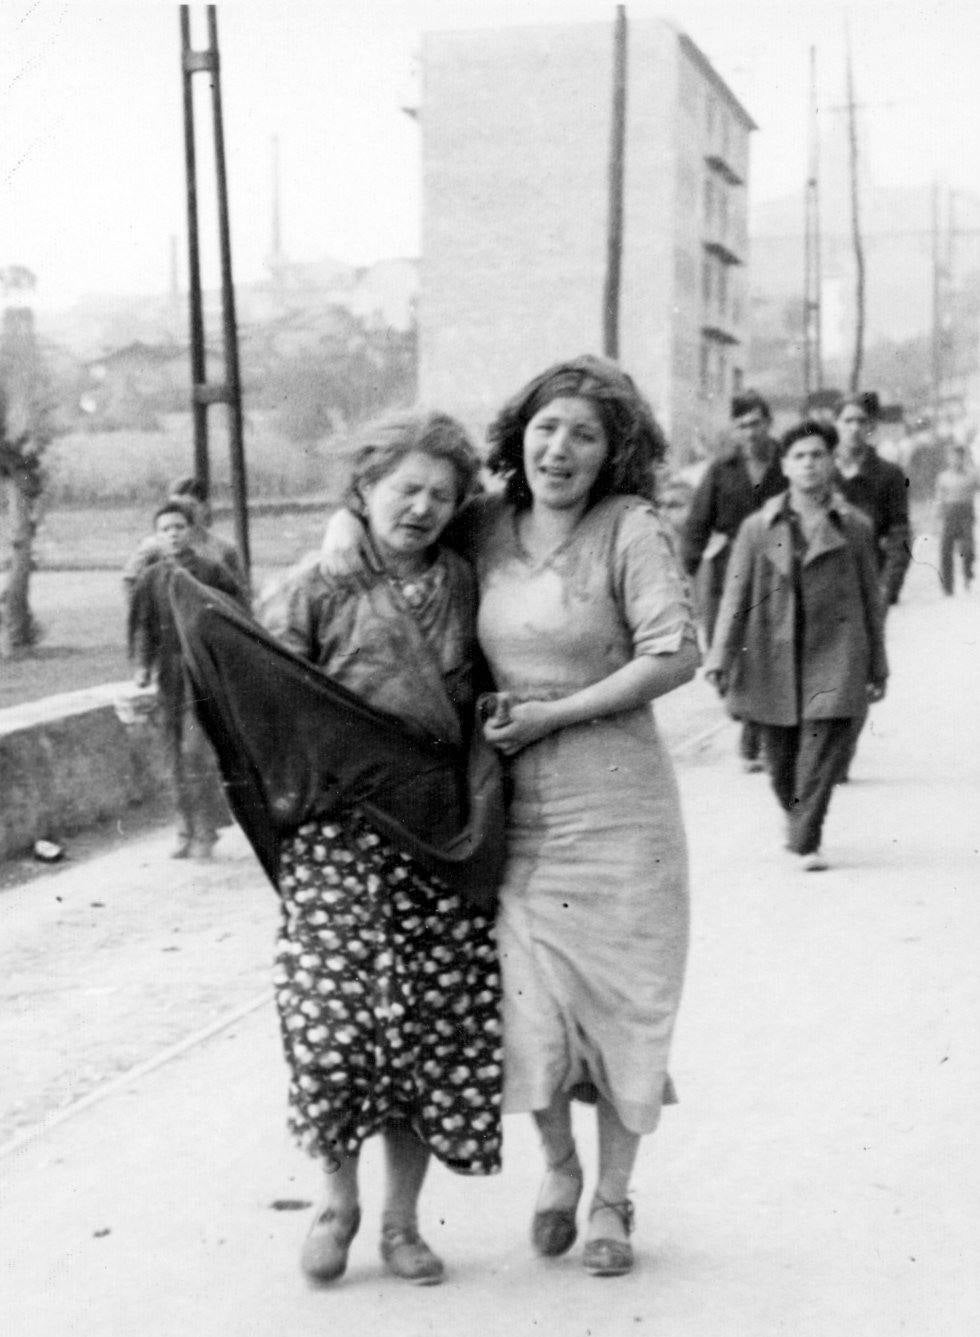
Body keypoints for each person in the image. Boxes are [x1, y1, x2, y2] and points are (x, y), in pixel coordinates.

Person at [322, 356, 700, 1278]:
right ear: (518, 436)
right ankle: (560, 1170)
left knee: (622, 1006)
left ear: (614, 452)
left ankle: (612, 1198)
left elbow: (675, 652)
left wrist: (556, 713)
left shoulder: (630, 529)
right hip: (517, 812)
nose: (559, 448)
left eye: (584, 433)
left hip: (619, 810)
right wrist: (341, 522)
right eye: (545, 427)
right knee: (526, 1010)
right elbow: (399, 523)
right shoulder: (489, 525)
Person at [256, 411, 503, 1288]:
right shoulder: (314, 585)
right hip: (335, 839)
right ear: (364, 489)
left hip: (437, 836)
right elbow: (264, 708)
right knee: (329, 1026)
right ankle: (336, 1199)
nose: (424, 506)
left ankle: (400, 1221)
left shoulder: (473, 582)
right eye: (406, 488)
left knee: (427, 1031)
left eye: (442, 493)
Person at [705, 420, 888, 872]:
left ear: (831, 464)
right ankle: (799, 821)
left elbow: (871, 599)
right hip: (771, 650)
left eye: (818, 455)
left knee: (821, 751)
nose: (809, 464)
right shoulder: (757, 527)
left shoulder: (855, 528)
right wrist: (720, 658)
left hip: (835, 653)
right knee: (780, 760)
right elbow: (735, 593)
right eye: (799, 456)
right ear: (784, 466)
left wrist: (877, 667)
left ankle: (805, 841)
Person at [128, 500, 245, 858]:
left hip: (205, 673)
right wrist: (142, 666)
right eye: (165, 529)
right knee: (172, 753)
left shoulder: (212, 572)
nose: (173, 535)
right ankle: (185, 829)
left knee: (195, 751)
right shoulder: (151, 578)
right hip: (170, 675)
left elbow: (237, 614)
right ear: (156, 536)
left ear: (191, 531)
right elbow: (144, 626)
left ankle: (205, 829)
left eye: (179, 527)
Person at [681, 391, 785, 772]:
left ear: (768, 423)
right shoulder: (721, 470)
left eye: (756, 423)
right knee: (727, 648)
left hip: (779, 567)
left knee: (771, 649)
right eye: (741, 425)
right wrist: (685, 573)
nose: (749, 432)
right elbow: (696, 524)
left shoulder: (787, 460)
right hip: (728, 573)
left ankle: (755, 737)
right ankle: (751, 722)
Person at [832, 392, 910, 781]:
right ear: (836, 425)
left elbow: (899, 538)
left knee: (860, 672)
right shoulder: (819, 469)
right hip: (820, 586)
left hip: (866, 587)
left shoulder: (889, 476)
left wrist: (887, 591)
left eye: (862, 421)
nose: (855, 428)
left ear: (872, 427)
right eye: (847, 420)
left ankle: (841, 753)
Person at [123, 474, 248, 610]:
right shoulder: (153, 546)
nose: (183, 511)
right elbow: (130, 580)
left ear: (205, 507)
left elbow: (240, 592)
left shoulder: (223, 549)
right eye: (176, 505)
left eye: (190, 506)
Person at [934, 441, 978, 594]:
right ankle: (948, 587)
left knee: (968, 549)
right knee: (945, 550)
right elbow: (939, 499)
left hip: (966, 515)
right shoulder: (943, 477)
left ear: (963, 457)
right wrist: (938, 517)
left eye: (959, 457)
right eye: (952, 457)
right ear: (948, 459)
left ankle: (968, 574)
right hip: (949, 516)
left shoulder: (972, 476)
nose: (955, 460)